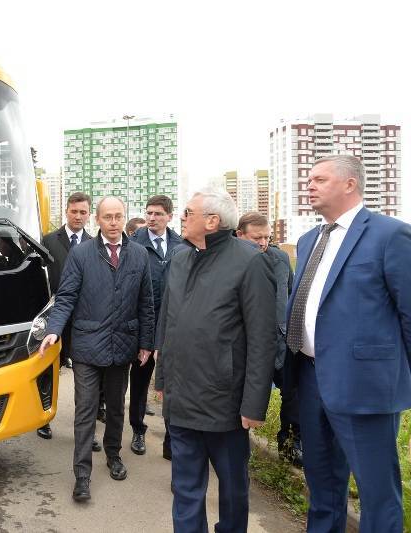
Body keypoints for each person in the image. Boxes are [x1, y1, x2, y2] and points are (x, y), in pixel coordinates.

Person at [284, 155, 411, 533]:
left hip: (365, 386)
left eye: (319, 179)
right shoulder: (309, 240)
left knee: (377, 493)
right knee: (321, 486)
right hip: (310, 378)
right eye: (309, 179)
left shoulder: (390, 235)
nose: (309, 185)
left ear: (350, 184)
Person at [154, 188, 276, 532]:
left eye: (188, 212)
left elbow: (262, 339)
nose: (182, 217)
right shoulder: (179, 258)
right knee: (185, 487)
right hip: (181, 399)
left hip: (225, 403)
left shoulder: (250, 261)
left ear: (212, 221)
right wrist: (162, 379)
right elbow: (169, 324)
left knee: (233, 488)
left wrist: (254, 404)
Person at [38, 196, 155, 502]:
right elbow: (66, 297)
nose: (114, 222)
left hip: (123, 346)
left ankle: (114, 455)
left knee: (116, 407)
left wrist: (146, 342)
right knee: (86, 410)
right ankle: (82, 474)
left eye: (118, 216)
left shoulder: (140, 255)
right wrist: (53, 330)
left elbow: (146, 303)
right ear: (97, 221)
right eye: (108, 217)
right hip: (88, 345)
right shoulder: (81, 254)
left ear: (124, 217)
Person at [236, 212, 301, 467]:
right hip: (248, 345)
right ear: (239, 235)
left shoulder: (281, 258)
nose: (262, 243)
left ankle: (290, 443)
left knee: (293, 394)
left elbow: (291, 294)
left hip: (281, 342)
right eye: (256, 238)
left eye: (266, 237)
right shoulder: (234, 261)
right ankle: (238, 445)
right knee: (244, 396)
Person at [38, 192, 101, 448]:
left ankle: (86, 431)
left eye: (83, 212)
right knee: (47, 370)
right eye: (74, 211)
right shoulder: (48, 240)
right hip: (53, 318)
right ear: (66, 211)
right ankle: (41, 418)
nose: (78, 216)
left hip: (82, 321)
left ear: (89, 214)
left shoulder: (94, 243)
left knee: (85, 377)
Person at [129, 195, 185, 458]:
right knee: (140, 381)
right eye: (149, 213)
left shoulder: (181, 245)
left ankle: (172, 440)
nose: (152, 218)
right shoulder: (134, 243)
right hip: (143, 326)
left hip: (173, 327)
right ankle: (138, 430)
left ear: (169, 217)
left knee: (172, 385)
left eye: (158, 214)